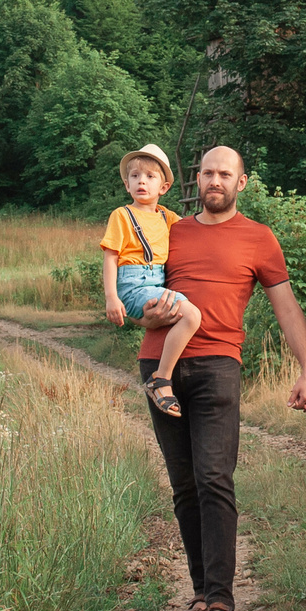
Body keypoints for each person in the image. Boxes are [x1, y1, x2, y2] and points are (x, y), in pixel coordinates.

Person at [135, 145, 306, 611]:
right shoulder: (169, 231)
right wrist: (143, 313)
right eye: (208, 172)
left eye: (225, 174)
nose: (214, 180)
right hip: (159, 365)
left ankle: (222, 598)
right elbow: (138, 287)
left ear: (242, 184)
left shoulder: (259, 238)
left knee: (214, 477)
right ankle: (200, 590)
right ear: (197, 179)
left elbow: (285, 308)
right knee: (184, 486)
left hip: (219, 365)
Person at [98, 143, 202, 418]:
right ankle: (161, 379)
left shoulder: (168, 217)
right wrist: (111, 297)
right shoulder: (122, 215)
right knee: (191, 315)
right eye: (135, 177)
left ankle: (175, 372)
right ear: (127, 185)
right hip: (133, 285)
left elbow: (194, 230)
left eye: (149, 177)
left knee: (187, 315)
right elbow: (110, 257)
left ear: (164, 188)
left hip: (157, 283)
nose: (141, 181)